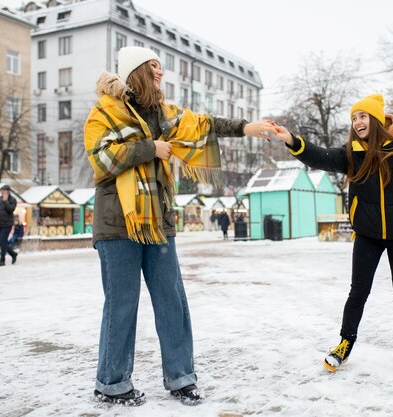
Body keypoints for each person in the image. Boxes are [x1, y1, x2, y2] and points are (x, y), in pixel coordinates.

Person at [84, 46, 276, 407]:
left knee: (172, 299)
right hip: (117, 224)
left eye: (161, 67)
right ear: (137, 71)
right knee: (121, 304)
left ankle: (181, 377)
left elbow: (203, 125)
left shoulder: (164, 114)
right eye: (154, 67)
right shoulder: (104, 111)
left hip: (159, 221)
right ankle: (110, 382)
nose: (161, 73)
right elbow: (102, 158)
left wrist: (247, 127)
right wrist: (150, 149)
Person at [273, 93, 393, 371]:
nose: (357, 122)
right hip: (368, 234)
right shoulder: (352, 154)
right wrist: (292, 141)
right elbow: (319, 157)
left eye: (362, 116)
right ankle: (345, 343)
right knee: (358, 292)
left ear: (376, 119)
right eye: (354, 118)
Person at [0, 185, 18, 266]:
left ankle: (2, 260)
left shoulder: (12, 200)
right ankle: (13, 254)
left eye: (4, 191)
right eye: (2, 191)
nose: (2, 192)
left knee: (3, 241)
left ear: (8, 191)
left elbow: (11, 209)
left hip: (7, 224)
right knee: (0, 241)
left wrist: (5, 201)